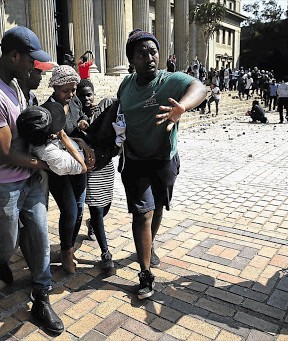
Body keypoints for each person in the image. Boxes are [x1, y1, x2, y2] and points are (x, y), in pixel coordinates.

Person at [0, 26, 63, 334]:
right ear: (14, 56)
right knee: (9, 243)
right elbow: (3, 153)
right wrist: (46, 164)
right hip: (2, 181)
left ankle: (41, 298)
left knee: (40, 235)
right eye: (30, 60)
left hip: (30, 177)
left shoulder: (17, 85)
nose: (33, 67)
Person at [118, 28, 206, 299]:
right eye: (141, 54)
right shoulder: (125, 85)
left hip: (163, 160)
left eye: (153, 52)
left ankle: (149, 244)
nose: (149, 58)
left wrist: (183, 107)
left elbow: (199, 87)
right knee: (141, 214)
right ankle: (145, 274)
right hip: (134, 160)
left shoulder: (170, 81)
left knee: (157, 209)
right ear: (132, 59)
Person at [44, 65, 95, 274]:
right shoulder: (47, 109)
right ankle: (66, 252)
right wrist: (78, 143)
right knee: (70, 210)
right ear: (55, 87)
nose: (71, 94)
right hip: (60, 168)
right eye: (66, 90)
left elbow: (81, 115)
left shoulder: (73, 101)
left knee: (79, 209)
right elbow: (57, 140)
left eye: (73, 90)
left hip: (78, 162)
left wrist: (83, 121)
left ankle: (70, 245)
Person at [76, 78, 115, 271]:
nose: (86, 98)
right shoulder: (76, 114)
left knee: (106, 205)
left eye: (89, 94)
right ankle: (105, 252)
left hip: (105, 164)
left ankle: (91, 223)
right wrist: (83, 121)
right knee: (97, 209)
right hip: (89, 169)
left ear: (94, 95)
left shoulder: (104, 108)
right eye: (81, 95)